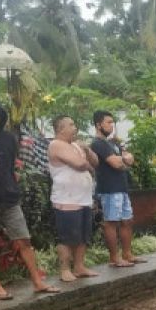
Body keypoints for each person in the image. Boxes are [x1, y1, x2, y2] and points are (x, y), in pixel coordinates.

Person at [0, 97, 60, 298]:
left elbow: (10, 167)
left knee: (24, 239)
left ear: (2, 118)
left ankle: (37, 281)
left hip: (9, 197)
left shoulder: (9, 138)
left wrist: (11, 186)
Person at [48, 115, 99, 283]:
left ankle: (79, 266)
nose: (75, 128)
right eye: (71, 125)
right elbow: (80, 164)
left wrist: (87, 150)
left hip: (83, 198)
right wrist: (86, 162)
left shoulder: (76, 145)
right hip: (66, 199)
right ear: (60, 129)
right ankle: (64, 269)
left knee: (83, 235)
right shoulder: (56, 145)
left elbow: (95, 163)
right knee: (68, 236)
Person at [90, 110, 141, 268]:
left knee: (127, 220)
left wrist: (124, 159)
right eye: (108, 122)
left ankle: (127, 254)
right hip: (109, 189)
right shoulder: (97, 143)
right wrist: (124, 159)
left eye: (113, 122)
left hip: (122, 187)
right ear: (98, 124)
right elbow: (117, 163)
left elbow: (130, 159)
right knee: (111, 223)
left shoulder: (112, 143)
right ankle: (114, 257)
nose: (112, 125)